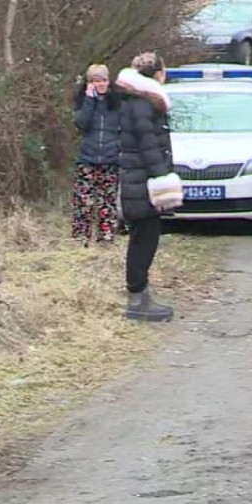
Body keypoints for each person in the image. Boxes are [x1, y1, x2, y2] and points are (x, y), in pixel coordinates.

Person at [115, 52, 176, 323]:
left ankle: (141, 295)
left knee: (143, 237)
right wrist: (163, 177)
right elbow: (149, 145)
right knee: (145, 238)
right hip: (141, 181)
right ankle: (138, 299)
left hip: (137, 179)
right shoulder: (143, 104)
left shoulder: (137, 100)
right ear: (157, 74)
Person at [71, 64, 122, 246]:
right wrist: (89, 99)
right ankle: (80, 237)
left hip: (110, 159)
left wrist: (118, 147)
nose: (100, 84)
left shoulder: (117, 102)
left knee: (107, 202)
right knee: (83, 202)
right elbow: (81, 124)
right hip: (87, 158)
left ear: (109, 81)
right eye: (95, 81)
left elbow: (124, 128)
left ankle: (106, 238)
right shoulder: (83, 101)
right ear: (89, 83)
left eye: (103, 80)